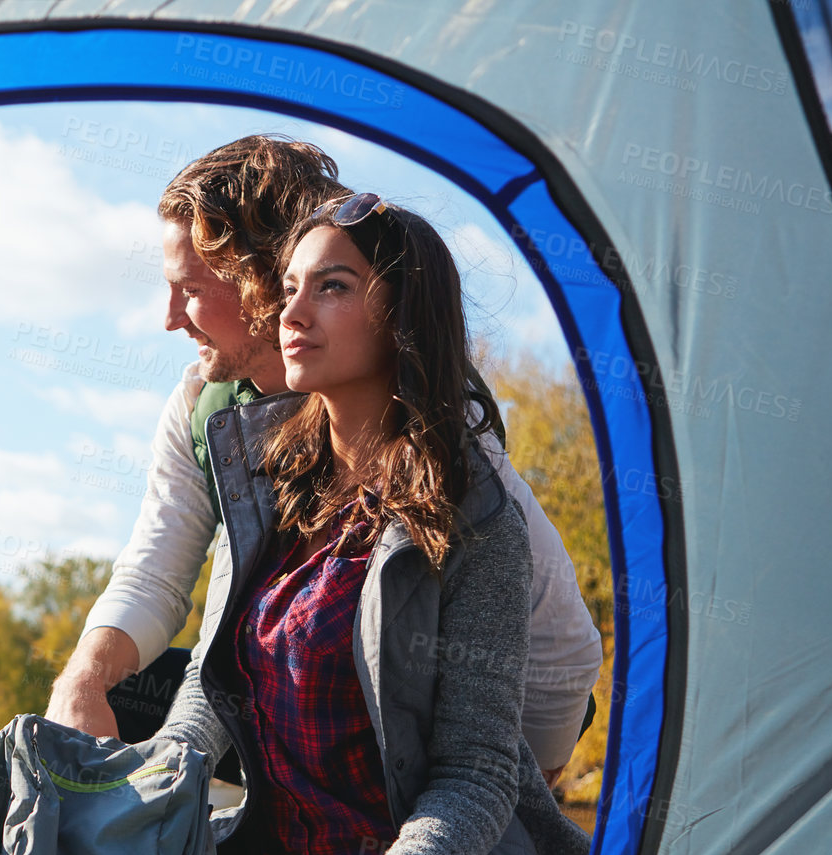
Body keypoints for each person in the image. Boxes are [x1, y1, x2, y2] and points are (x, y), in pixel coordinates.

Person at [158, 192, 591, 855]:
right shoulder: (265, 477)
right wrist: (146, 797)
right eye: (292, 289)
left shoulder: (473, 512)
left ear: (403, 315)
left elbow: (478, 773)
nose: (293, 314)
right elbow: (210, 683)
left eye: (336, 287)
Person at [46, 137, 602, 784]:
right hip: (303, 698)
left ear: (259, 285)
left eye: (191, 289)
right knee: (105, 697)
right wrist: (84, 678)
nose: (170, 318)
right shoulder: (206, 410)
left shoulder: (429, 429)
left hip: (440, 726)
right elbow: (158, 574)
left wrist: (502, 802)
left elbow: (562, 646)